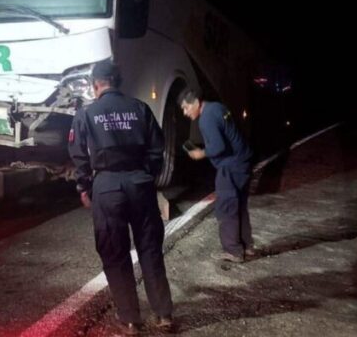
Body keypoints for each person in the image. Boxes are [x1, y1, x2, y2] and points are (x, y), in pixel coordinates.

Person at [68, 60, 174, 335]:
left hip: (106, 185)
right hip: (140, 182)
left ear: (95, 85)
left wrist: (84, 186)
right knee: (150, 249)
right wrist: (145, 174)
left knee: (115, 253)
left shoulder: (86, 114)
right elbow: (157, 148)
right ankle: (164, 315)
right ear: (118, 82)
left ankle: (130, 319)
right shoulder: (140, 108)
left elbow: (78, 155)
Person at [179, 88, 255, 263]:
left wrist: (201, 153)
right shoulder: (217, 107)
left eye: (186, 107)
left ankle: (233, 251)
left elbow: (219, 147)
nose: (185, 112)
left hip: (231, 166)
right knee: (240, 206)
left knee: (226, 208)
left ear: (196, 102)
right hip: (243, 161)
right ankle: (247, 245)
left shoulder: (206, 118)